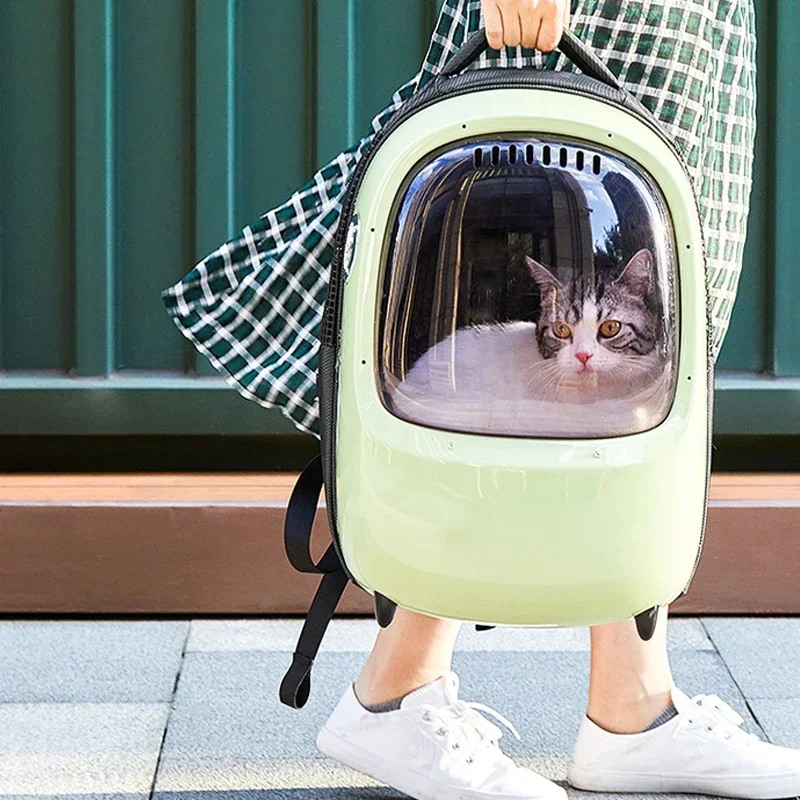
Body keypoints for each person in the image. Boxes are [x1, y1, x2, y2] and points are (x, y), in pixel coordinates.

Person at [163, 2, 800, 799]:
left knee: (666, 340)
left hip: (699, 27)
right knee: (482, 255)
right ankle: (395, 692)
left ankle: (632, 708)